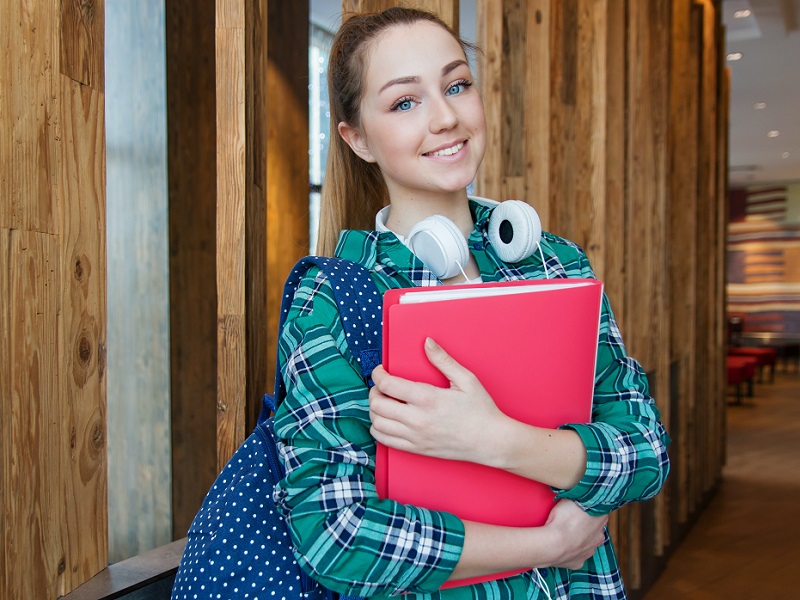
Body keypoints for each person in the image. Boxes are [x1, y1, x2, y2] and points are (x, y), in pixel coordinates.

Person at [273, 7, 670, 599]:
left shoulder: (555, 264)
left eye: (457, 85)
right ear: (357, 138)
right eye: (405, 103)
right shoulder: (333, 298)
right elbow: (336, 536)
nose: (447, 117)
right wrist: (548, 545)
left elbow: (646, 450)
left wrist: (497, 440)